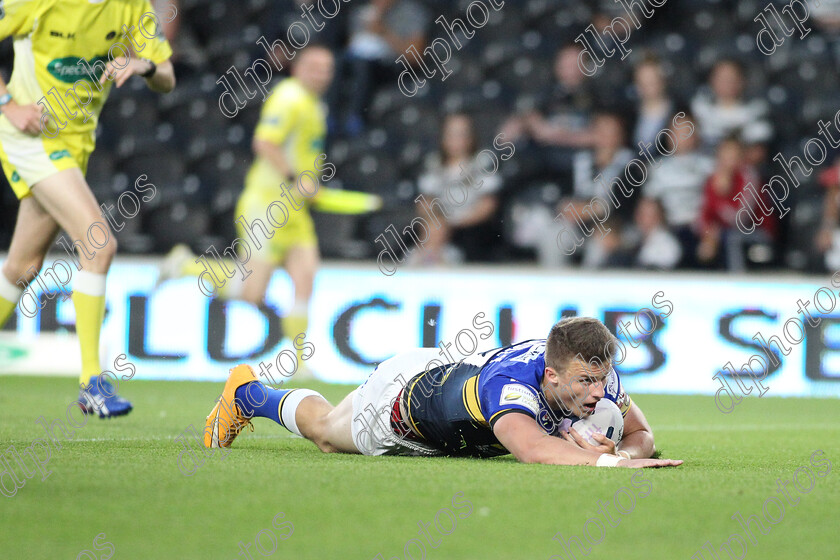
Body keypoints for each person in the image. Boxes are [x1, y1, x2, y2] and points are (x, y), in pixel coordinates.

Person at [202, 317, 683, 468]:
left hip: (444, 371)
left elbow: (643, 432)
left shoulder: (594, 371)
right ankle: (249, 395)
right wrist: (614, 462)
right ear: (552, 376)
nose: (600, 393)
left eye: (602, 381)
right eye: (586, 383)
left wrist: (623, 445)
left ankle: (251, 395)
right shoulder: (509, 387)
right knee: (327, 433)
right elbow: (534, 449)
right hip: (403, 406)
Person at [0, 0, 175, 417]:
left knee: (22, 267)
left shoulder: (133, 8)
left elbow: (167, 77)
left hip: (75, 145)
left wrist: (144, 67)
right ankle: (91, 382)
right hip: (31, 138)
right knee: (99, 245)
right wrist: (8, 104)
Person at [161, 46, 335, 376]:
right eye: (314, 66)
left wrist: (309, 185)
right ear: (297, 68)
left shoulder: (314, 104)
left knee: (306, 276)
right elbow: (264, 143)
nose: (322, 73)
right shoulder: (289, 98)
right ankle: (187, 266)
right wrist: (295, 177)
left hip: (295, 211)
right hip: (267, 205)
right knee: (251, 294)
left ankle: (298, 363)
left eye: (327, 68)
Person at [409, 113, 502, 266]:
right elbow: (425, 202)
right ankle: (426, 261)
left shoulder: (483, 163)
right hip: (438, 228)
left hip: (470, 231)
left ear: (472, 137)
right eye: (451, 134)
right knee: (429, 229)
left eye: (461, 134)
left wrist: (454, 223)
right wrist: (437, 222)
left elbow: (488, 205)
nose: (456, 140)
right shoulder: (433, 164)